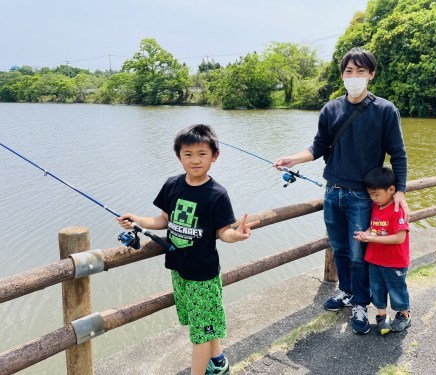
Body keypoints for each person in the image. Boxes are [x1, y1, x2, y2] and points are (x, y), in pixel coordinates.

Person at [274, 47, 408, 334]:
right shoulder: (331, 108)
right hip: (332, 191)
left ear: (371, 74)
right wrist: (292, 159)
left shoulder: (385, 110)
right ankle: (347, 292)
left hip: (362, 195)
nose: (354, 76)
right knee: (340, 249)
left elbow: (398, 154)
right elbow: (318, 146)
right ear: (342, 75)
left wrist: (401, 190)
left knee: (360, 254)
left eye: (361, 71)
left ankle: (361, 303)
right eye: (349, 71)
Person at [117, 124, 259, 375]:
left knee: (200, 335)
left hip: (202, 274)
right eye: (188, 154)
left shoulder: (217, 194)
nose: (195, 160)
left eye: (202, 154)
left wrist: (236, 235)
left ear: (214, 156)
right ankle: (218, 362)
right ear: (179, 156)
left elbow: (223, 232)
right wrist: (137, 219)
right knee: (202, 323)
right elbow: (162, 220)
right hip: (179, 268)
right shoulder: (173, 184)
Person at [353, 167, 411, 335]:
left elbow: (399, 238)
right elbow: (373, 226)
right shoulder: (375, 207)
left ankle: (403, 315)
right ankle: (381, 316)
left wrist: (372, 239)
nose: (373, 198)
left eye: (376, 194)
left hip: (395, 262)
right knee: (377, 289)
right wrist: (366, 234)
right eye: (370, 194)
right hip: (375, 259)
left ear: (391, 190)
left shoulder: (397, 210)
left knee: (397, 290)